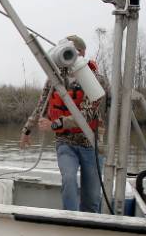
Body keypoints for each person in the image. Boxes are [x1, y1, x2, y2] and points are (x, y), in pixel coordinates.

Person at [21, 34, 107, 213]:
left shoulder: (96, 80)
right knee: (68, 179)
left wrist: (54, 124)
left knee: (92, 198)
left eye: (73, 51)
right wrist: (27, 129)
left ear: (82, 53)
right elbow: (42, 105)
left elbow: (87, 114)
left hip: (92, 144)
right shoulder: (55, 79)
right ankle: (70, 220)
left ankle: (90, 229)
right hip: (66, 142)